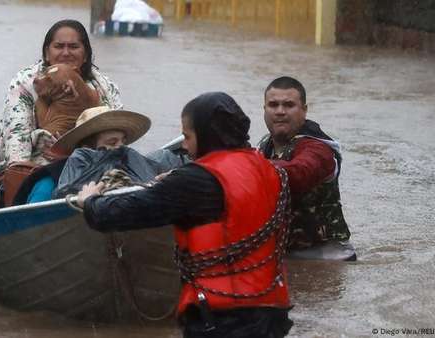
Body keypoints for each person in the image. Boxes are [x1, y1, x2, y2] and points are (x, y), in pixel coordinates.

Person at [77, 92, 293, 338]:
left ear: (206, 135)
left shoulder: (195, 180)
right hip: (272, 312)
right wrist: (176, 183)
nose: (184, 145)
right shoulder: (271, 171)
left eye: (188, 136)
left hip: (223, 319)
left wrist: (91, 201)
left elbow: (118, 214)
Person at [0, 19, 123, 201]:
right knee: (41, 186)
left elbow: (117, 137)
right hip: (37, 164)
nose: (66, 52)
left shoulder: (105, 87)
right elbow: (18, 141)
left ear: (85, 55)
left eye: (74, 46)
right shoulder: (26, 82)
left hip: (91, 163)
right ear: (47, 53)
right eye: (59, 46)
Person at [258, 76, 355, 261]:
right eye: (273, 105)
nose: (280, 111)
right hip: (284, 253)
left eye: (288, 105)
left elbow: (300, 172)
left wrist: (246, 166)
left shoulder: (318, 149)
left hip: (327, 257)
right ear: (264, 110)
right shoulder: (264, 146)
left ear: (304, 110)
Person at [17, 105, 151, 204]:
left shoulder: (129, 174)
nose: (121, 149)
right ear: (86, 149)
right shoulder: (50, 182)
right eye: (112, 142)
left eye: (123, 142)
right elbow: (35, 219)